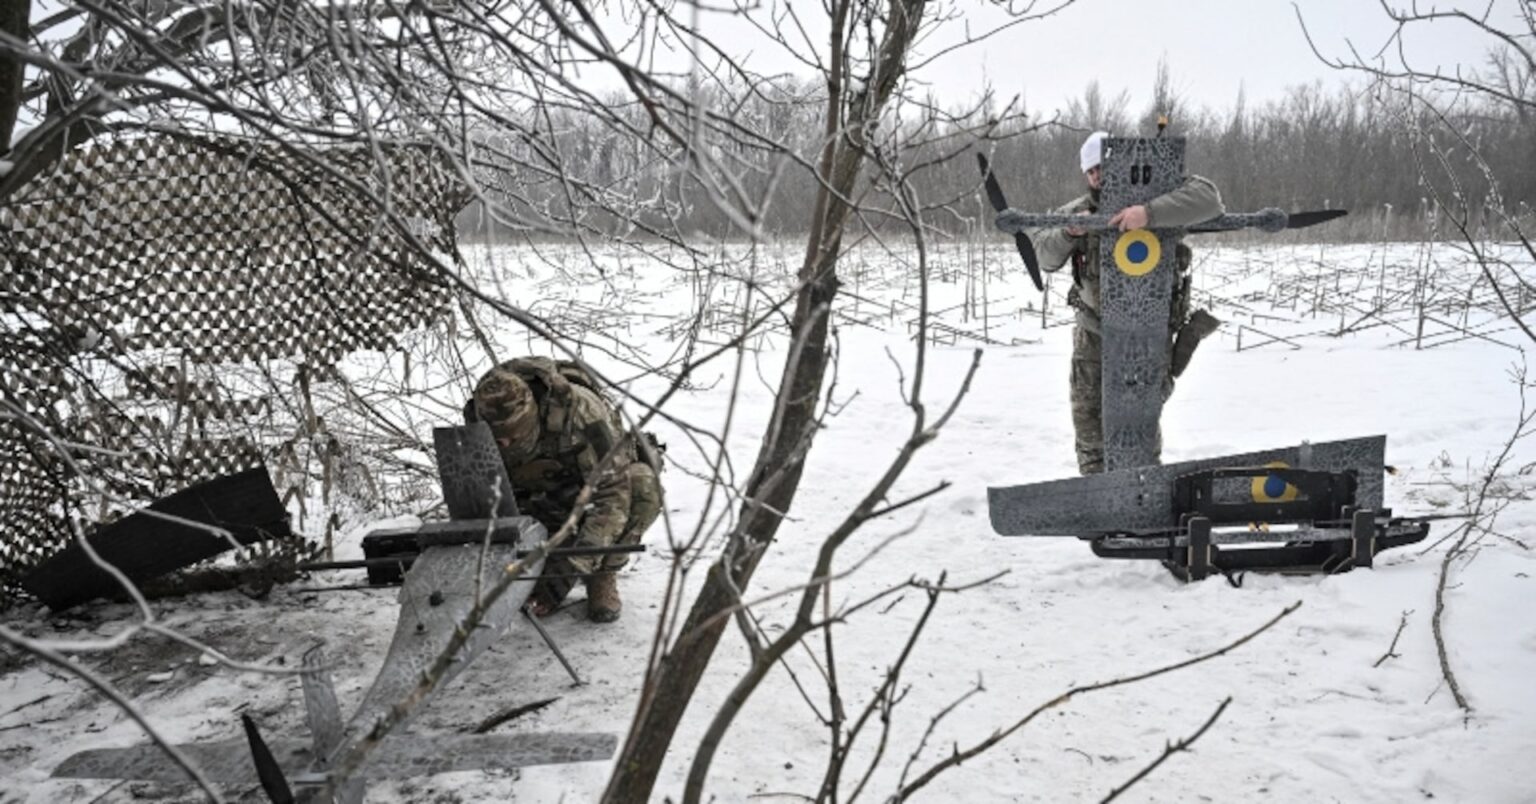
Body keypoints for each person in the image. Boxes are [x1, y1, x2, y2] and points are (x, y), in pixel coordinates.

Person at [1031, 130, 1224, 474]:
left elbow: (1210, 200)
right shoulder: (1079, 211)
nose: (1097, 176)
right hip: (1094, 335)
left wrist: (1149, 214)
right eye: (1090, 171)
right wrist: (1069, 232)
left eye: (1102, 167)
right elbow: (1044, 257)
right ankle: (1097, 495)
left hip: (1147, 335)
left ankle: (1143, 492)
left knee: (1140, 425)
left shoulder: (1162, 196)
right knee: (1090, 426)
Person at [465, 356, 663, 622]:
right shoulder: (477, 417)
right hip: (532, 504)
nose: (506, 445)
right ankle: (538, 568)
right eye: (497, 440)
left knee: (643, 487)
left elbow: (612, 494)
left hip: (585, 498)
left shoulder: (583, 413)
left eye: (513, 436)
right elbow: (479, 493)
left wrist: (575, 566)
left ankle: (602, 574)